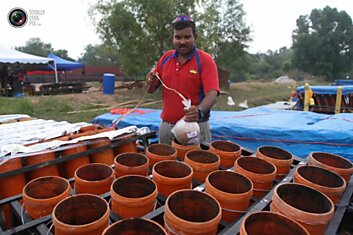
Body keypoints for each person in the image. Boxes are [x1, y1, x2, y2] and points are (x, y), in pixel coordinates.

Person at [146, 15, 219, 146]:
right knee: (165, 165)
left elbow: (212, 94)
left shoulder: (205, 60)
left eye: (187, 37)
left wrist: (199, 110)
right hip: (167, 127)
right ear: (172, 38)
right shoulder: (165, 58)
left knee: (198, 165)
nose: (182, 42)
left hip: (195, 127)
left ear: (195, 36)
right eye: (178, 37)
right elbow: (151, 89)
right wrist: (150, 81)